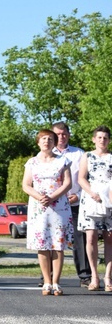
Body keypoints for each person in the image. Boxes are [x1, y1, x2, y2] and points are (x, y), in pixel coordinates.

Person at [22, 129, 74, 296]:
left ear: (54, 142)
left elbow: (67, 183)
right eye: (44, 139)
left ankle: (56, 282)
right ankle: (46, 282)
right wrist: (39, 197)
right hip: (39, 208)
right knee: (42, 244)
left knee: (58, 245)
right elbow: (26, 185)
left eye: (50, 139)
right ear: (38, 142)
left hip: (59, 206)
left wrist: (52, 197)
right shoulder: (31, 162)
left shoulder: (62, 160)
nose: (47, 142)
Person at [52, 121, 91, 287]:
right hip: (53, 205)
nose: (61, 137)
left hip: (76, 203)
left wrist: (79, 195)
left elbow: (87, 178)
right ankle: (48, 276)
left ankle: (85, 276)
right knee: (51, 241)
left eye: (64, 134)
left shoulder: (79, 154)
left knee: (80, 240)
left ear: (68, 135)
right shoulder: (45, 154)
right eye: (58, 134)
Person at [77, 125, 112, 292]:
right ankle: (94, 276)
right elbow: (81, 178)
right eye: (99, 137)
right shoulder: (87, 156)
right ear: (94, 139)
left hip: (109, 200)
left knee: (109, 238)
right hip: (91, 199)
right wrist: (92, 193)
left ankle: (108, 277)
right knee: (90, 237)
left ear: (109, 140)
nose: (102, 140)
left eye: (105, 138)